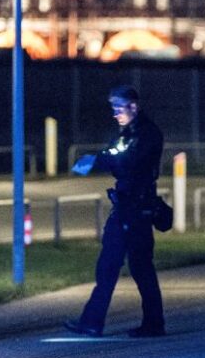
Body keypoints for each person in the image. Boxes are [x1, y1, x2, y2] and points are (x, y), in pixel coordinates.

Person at [64, 85, 166, 338]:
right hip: (127, 207)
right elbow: (112, 154)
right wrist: (95, 160)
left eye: (119, 108)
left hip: (136, 208)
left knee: (126, 266)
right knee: (122, 265)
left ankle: (97, 322)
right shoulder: (128, 133)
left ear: (134, 106)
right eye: (113, 108)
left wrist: (98, 162)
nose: (115, 113)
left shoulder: (147, 133)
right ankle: (143, 322)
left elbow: (129, 162)